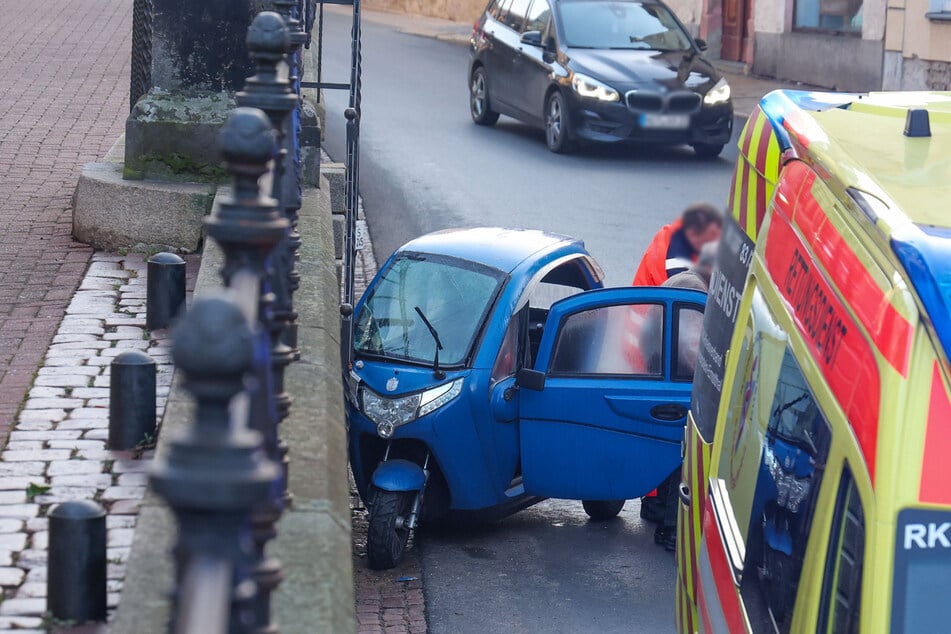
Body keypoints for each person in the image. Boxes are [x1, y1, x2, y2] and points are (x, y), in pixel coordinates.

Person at [642, 241, 718, 551]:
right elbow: (691, 347)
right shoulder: (693, 290)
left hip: (658, 368)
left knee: (666, 444)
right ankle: (672, 529)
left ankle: (656, 509)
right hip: (672, 377)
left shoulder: (686, 279)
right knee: (682, 452)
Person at [632, 203, 722, 287]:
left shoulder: (671, 234)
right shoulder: (677, 261)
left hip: (645, 298)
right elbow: (687, 293)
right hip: (655, 301)